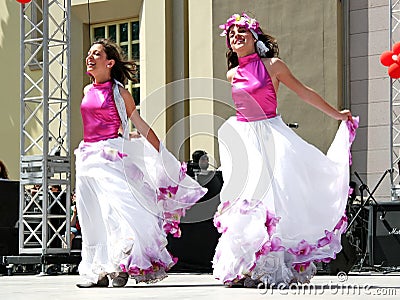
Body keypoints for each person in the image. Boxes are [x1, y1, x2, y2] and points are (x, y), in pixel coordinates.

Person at [212, 13, 358, 287]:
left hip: (270, 134)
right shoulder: (232, 74)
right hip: (244, 138)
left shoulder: (273, 65)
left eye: (242, 31)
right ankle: (245, 265)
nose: (236, 37)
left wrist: (336, 114)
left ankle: (268, 268)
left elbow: (304, 92)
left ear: (255, 37)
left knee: (272, 201)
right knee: (245, 201)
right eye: (231, 34)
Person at [74, 38, 206, 288]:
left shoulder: (119, 92)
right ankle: (97, 270)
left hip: (110, 156)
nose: (89, 58)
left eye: (96, 54)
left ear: (110, 62)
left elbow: (137, 122)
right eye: (89, 54)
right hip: (86, 157)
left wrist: (160, 152)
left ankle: (119, 266)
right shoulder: (87, 90)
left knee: (115, 211)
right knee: (91, 215)